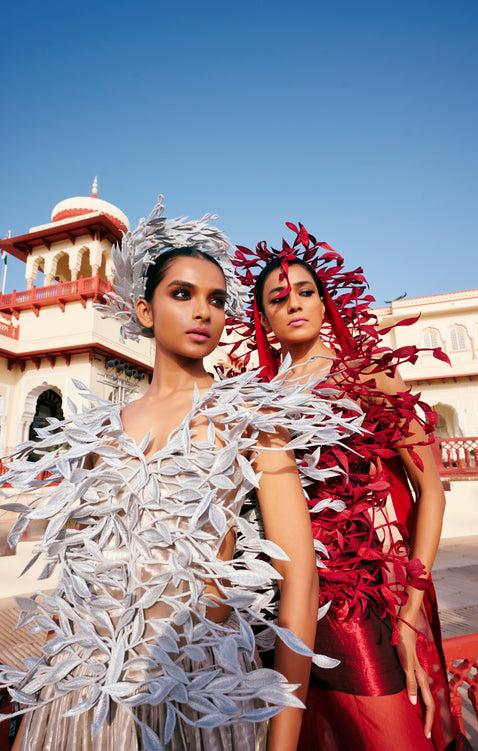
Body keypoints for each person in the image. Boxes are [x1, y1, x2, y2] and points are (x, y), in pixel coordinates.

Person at [0, 201, 364, 751]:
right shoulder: (97, 432)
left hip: (202, 692)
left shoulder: (251, 419)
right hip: (87, 691)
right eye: (182, 294)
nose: (204, 312)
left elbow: (300, 579)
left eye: (217, 300)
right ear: (144, 311)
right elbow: (79, 576)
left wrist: (284, 736)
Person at [229, 222, 472, 750]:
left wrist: (410, 609)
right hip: (283, 604)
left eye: (306, 292)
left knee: (393, 735)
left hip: (362, 600)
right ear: (264, 320)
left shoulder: (370, 375)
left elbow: (431, 489)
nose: (294, 303)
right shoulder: (259, 403)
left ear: (323, 302)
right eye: (277, 298)